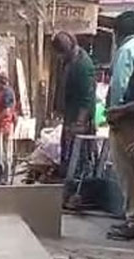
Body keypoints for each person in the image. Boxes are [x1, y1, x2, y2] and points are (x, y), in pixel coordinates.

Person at [52, 32, 96, 178]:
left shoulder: (83, 65)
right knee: (68, 156)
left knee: (80, 158)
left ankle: (80, 187)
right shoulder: (69, 62)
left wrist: (79, 123)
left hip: (80, 120)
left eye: (61, 54)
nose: (60, 58)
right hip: (70, 116)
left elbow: (86, 97)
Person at [107, 11, 134, 240]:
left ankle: (131, 220)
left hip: (126, 123)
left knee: (127, 172)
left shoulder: (126, 51)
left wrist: (115, 115)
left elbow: (120, 87)